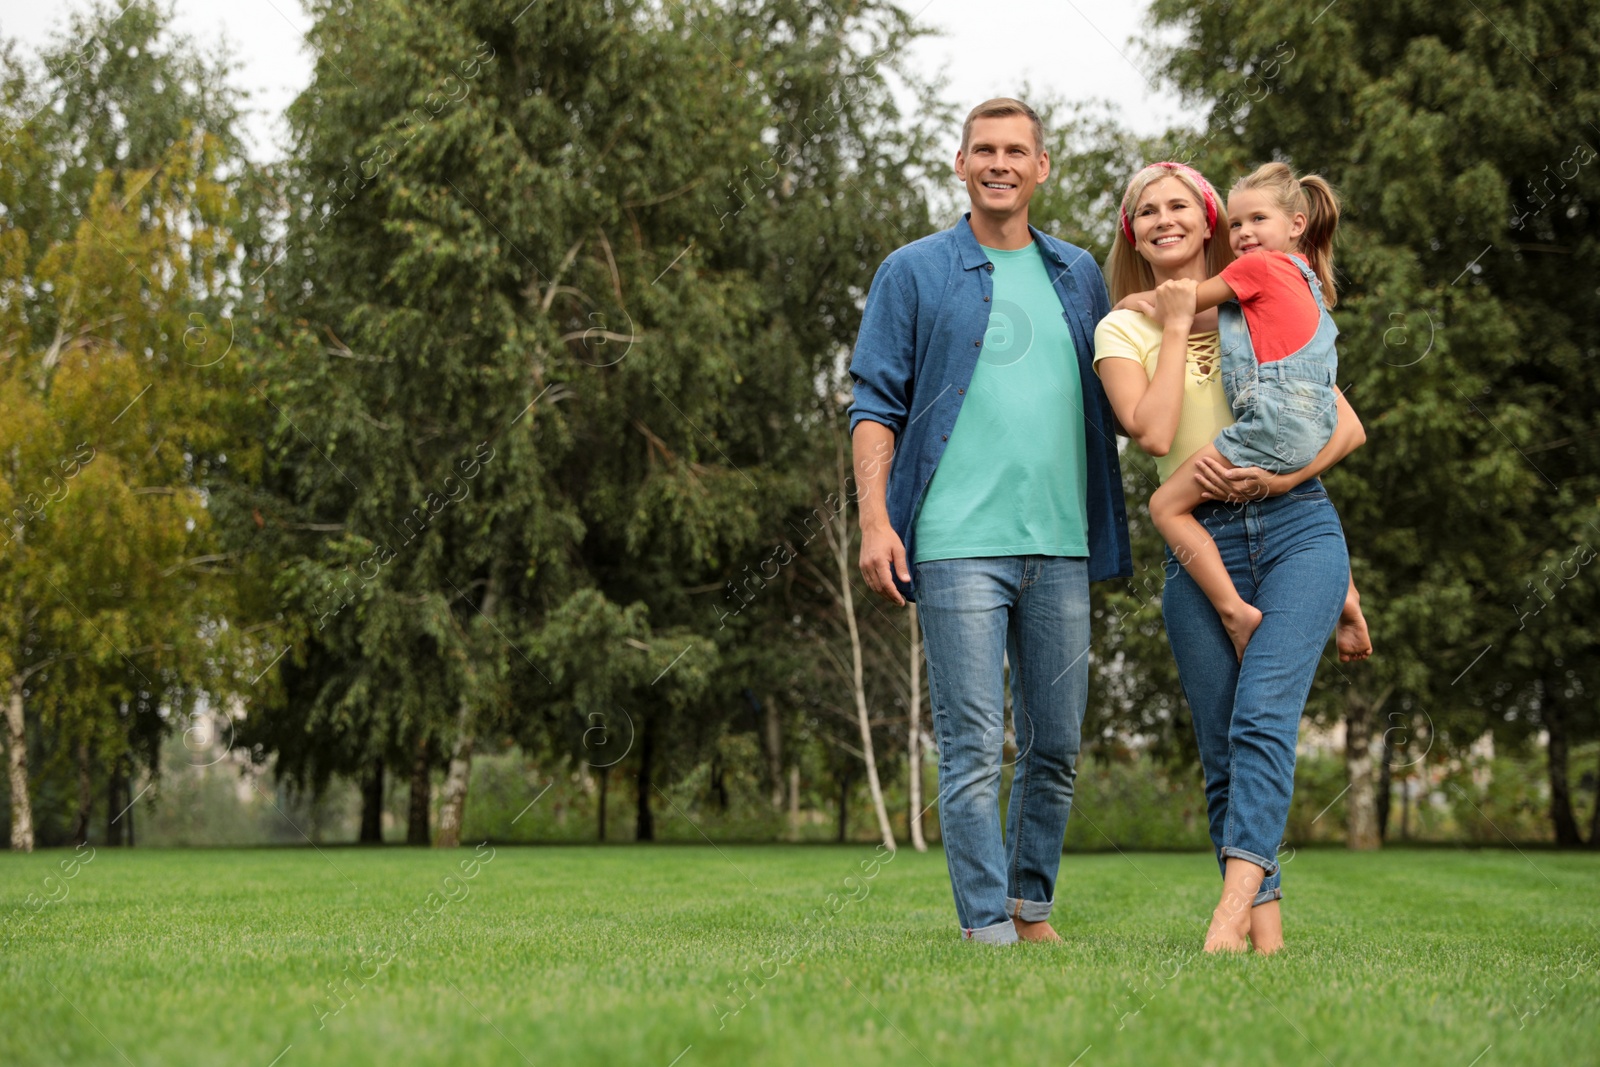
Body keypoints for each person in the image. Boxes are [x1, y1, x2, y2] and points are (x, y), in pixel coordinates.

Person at [847, 98, 1131, 945]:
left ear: (1043, 167)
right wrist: (873, 520)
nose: (1000, 163)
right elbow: (874, 403)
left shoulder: (1079, 274)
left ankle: (1028, 908)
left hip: (1062, 543)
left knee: (1055, 748)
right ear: (960, 164)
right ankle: (984, 925)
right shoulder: (914, 271)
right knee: (972, 747)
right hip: (956, 544)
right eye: (984, 150)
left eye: (1017, 150)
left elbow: (1127, 386)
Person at [1092, 161, 1371, 954]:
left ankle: (1228, 920)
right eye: (1146, 210)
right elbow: (1149, 432)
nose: (1163, 219)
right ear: (1131, 231)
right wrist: (1176, 323)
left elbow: (1341, 427)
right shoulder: (1126, 327)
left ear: (1209, 218)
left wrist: (1278, 476)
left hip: (1293, 522)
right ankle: (1267, 941)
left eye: (1180, 204)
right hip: (1203, 543)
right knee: (1222, 751)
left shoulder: (1257, 299)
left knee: (1263, 724)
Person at [1121, 162, 1347, 659]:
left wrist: (1137, 301)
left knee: (1164, 506)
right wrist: (1287, 479)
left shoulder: (1251, 272)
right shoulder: (1304, 277)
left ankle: (1232, 610)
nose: (1244, 234)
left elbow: (1179, 306)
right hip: (1310, 426)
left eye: (1257, 221)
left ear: (1295, 225)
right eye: (1238, 224)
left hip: (1274, 431)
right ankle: (1343, 592)